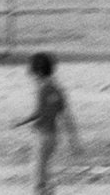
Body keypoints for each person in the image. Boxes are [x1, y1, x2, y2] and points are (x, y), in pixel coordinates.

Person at [23, 51, 82, 193]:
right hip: (52, 136)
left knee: (39, 175)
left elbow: (42, 113)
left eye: (32, 73)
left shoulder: (44, 89)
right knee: (43, 170)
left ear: (37, 72)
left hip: (44, 136)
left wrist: (26, 121)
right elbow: (64, 114)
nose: (31, 77)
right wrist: (73, 140)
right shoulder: (56, 88)